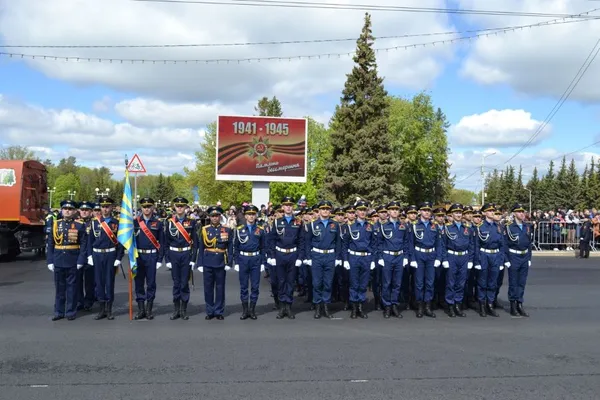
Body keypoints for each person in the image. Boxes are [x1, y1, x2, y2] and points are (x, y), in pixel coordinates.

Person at [47, 200, 88, 321]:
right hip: (58, 259)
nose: (67, 211)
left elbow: (84, 245)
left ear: (75, 211)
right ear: (61, 210)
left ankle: (70, 311)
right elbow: (50, 244)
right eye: (65, 209)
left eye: (70, 209)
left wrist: (81, 260)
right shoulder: (55, 224)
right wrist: (50, 260)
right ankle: (58, 311)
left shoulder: (80, 225)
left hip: (72, 259)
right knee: (59, 288)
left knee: (72, 288)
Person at [268, 196, 305, 319]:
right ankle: (281, 307)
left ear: (292, 207)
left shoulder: (298, 222)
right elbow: (272, 240)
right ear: (283, 207)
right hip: (280, 255)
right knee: (281, 281)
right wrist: (272, 256)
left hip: (293, 255)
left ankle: (288, 307)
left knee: (290, 281)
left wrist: (300, 257)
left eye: (290, 205)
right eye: (286, 205)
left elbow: (301, 241)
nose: (288, 207)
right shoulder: (277, 222)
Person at [304, 200, 342, 319]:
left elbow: (338, 243)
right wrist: (308, 257)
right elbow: (307, 242)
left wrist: (337, 257)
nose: (325, 211)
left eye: (327, 209)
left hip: (330, 256)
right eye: (323, 209)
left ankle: (326, 306)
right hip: (317, 256)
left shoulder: (335, 225)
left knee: (328, 283)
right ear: (319, 211)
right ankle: (317, 307)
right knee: (317, 283)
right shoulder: (313, 224)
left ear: (330, 210)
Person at [88, 197, 124, 320]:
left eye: (107, 206)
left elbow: (120, 242)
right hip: (97, 255)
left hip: (110, 255)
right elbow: (90, 241)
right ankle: (101, 309)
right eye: (103, 206)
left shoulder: (116, 223)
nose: (105, 208)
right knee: (99, 282)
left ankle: (109, 310)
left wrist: (119, 257)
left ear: (112, 207)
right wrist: (89, 256)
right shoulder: (94, 223)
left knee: (109, 282)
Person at [165, 197, 198, 321]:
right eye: (177, 206)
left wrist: (193, 259)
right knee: (176, 283)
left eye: (182, 206)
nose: (179, 208)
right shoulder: (169, 222)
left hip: (186, 254)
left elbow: (195, 242)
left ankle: (183, 310)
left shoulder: (192, 222)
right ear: (174, 207)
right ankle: (176, 310)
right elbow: (166, 243)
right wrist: (167, 260)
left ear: (185, 208)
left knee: (184, 283)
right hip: (173, 255)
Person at [342, 200, 377, 319]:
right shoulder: (350, 227)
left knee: (363, 284)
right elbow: (345, 245)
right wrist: (346, 260)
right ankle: (354, 307)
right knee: (354, 283)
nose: (362, 212)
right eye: (360, 210)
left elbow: (374, 245)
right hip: (354, 257)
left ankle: (361, 307)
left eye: (364, 210)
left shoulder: (370, 227)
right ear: (356, 212)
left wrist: (373, 260)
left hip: (366, 258)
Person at [197, 206, 233, 320]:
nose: (215, 218)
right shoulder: (205, 230)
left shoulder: (226, 229)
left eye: (217, 216)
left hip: (221, 261)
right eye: (212, 216)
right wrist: (200, 263)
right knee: (208, 288)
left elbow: (230, 247)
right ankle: (210, 310)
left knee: (220, 287)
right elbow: (201, 247)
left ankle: (218, 311)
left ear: (220, 216)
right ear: (209, 217)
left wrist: (229, 263)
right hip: (208, 261)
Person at [377, 200, 412, 319]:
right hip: (387, 256)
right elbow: (379, 243)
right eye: (392, 210)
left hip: (399, 256)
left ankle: (394, 305)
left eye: (396, 210)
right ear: (388, 212)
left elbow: (406, 242)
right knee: (387, 283)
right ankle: (387, 306)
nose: (394, 212)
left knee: (397, 283)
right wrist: (381, 257)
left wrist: (406, 257)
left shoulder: (403, 226)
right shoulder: (383, 226)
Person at [133, 197, 165, 320]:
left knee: (151, 283)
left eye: (148, 206)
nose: (146, 209)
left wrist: (159, 259)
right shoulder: (135, 223)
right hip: (138, 256)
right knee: (139, 283)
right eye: (144, 207)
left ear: (152, 208)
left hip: (152, 256)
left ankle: (149, 310)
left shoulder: (158, 223)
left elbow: (162, 242)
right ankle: (141, 310)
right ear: (141, 208)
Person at [233, 205, 266, 320]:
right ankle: (245, 310)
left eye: (253, 214)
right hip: (243, 259)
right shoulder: (239, 229)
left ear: (256, 215)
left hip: (256, 259)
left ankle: (252, 310)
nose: (251, 216)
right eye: (249, 214)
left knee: (255, 286)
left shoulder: (260, 230)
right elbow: (236, 247)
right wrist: (236, 262)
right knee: (243, 286)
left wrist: (263, 263)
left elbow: (263, 247)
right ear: (245, 216)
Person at [409, 202, 442, 318]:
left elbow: (439, 244)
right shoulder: (414, 226)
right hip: (419, 254)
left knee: (430, 282)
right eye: (424, 210)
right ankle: (420, 306)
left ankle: (428, 306)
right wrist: (412, 258)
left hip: (431, 255)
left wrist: (438, 258)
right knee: (419, 283)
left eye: (429, 210)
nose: (427, 212)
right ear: (420, 212)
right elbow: (410, 244)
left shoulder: (435, 226)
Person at [441, 204, 474, 318]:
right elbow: (443, 245)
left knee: (461, 282)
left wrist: (470, 259)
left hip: (464, 257)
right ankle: (450, 305)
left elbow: (471, 245)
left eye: (460, 213)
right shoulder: (447, 228)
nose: (458, 215)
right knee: (451, 282)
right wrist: (444, 259)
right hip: (452, 256)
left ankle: (457, 305)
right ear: (452, 214)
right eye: (456, 213)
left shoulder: (467, 228)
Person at [474, 203, 504, 318]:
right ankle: (482, 305)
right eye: (490, 211)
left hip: (495, 255)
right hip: (484, 255)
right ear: (484, 213)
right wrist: (476, 261)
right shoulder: (480, 226)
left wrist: (501, 261)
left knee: (493, 282)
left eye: (493, 210)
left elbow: (502, 245)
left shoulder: (498, 227)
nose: (492, 212)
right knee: (482, 282)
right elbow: (476, 245)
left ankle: (490, 305)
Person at [504, 203, 532, 317]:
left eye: (523, 211)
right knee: (513, 282)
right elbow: (505, 244)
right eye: (520, 212)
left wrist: (529, 257)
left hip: (524, 256)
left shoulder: (527, 226)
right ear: (514, 213)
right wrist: (506, 259)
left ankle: (520, 303)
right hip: (513, 256)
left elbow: (529, 244)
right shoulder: (509, 226)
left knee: (522, 282)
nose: (522, 214)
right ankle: (513, 305)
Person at [76, 201, 95, 311]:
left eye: (86, 210)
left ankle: (89, 300)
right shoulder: (75, 223)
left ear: (90, 212)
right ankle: (79, 300)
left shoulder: (94, 223)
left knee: (89, 280)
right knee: (77, 280)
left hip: (90, 256)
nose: (84, 212)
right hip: (77, 255)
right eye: (82, 210)